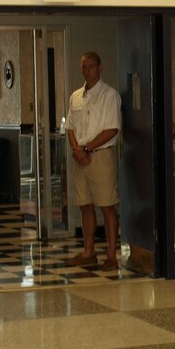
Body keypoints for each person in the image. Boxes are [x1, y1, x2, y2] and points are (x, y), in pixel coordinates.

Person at [65, 51, 122, 271]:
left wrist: (87, 148)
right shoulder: (76, 96)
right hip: (80, 157)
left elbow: (112, 129)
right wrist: (77, 150)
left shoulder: (110, 95)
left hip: (100, 156)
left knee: (107, 205)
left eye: (91, 66)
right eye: (83, 67)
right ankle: (89, 252)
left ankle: (111, 255)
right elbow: (70, 127)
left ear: (100, 68)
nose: (87, 70)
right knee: (85, 205)